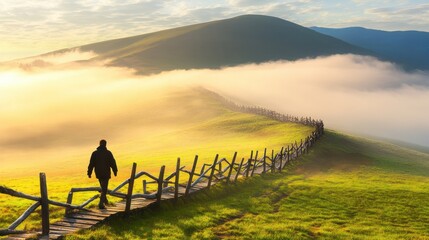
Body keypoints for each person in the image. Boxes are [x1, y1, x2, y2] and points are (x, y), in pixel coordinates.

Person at [87, 139, 118, 209]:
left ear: (100, 144)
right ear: (105, 144)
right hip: (106, 173)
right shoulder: (108, 153)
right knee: (104, 188)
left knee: (103, 187)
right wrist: (115, 171)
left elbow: (91, 164)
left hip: (98, 173)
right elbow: (113, 163)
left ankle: (105, 201)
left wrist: (89, 173)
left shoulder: (94, 153)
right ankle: (101, 203)